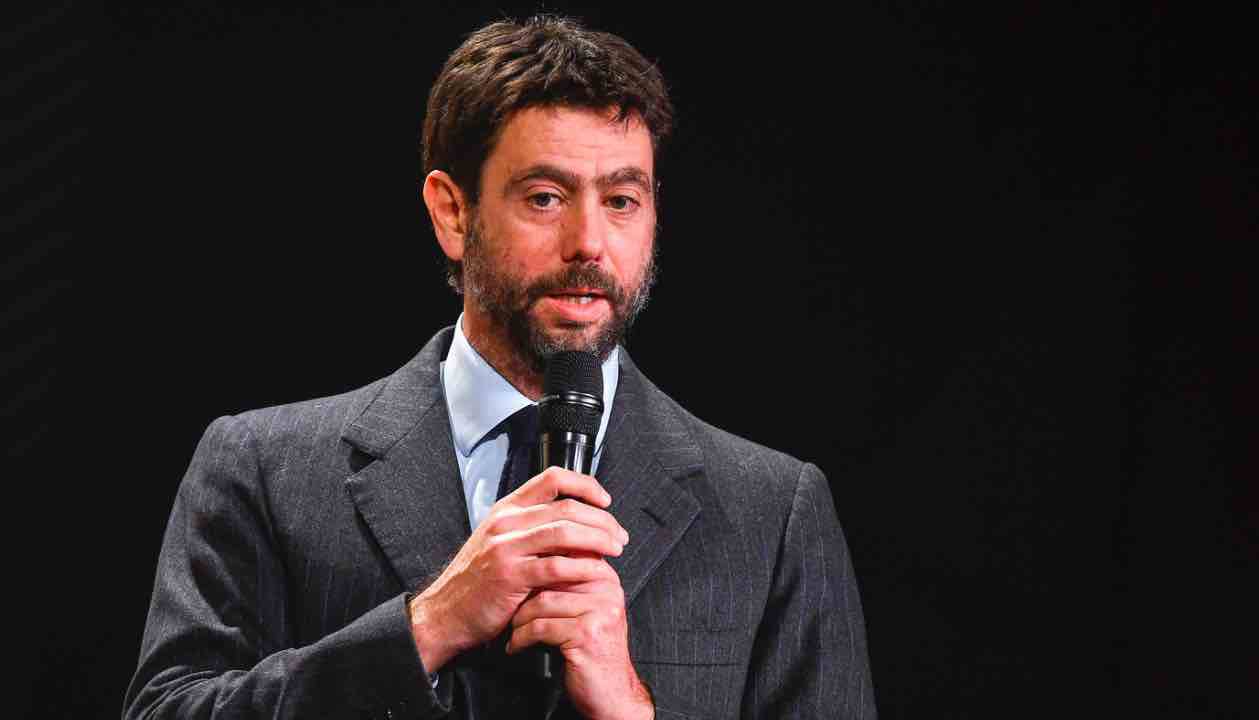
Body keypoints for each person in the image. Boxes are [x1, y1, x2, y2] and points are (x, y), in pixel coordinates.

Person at [124, 15, 875, 720]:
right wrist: (429, 625)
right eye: (545, 198)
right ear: (452, 213)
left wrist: (629, 707)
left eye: (621, 200)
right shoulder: (263, 470)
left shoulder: (772, 512)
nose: (589, 242)